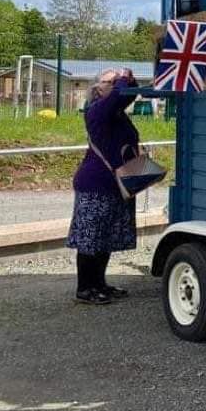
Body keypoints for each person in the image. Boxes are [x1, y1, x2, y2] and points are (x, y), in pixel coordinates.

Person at [68, 68, 140, 304]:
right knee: (90, 239)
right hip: (96, 184)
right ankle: (84, 288)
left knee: (106, 238)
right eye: (111, 81)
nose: (117, 84)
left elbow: (127, 94)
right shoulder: (96, 110)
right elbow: (119, 95)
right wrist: (122, 79)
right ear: (98, 88)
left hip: (116, 184)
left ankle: (99, 284)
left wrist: (130, 80)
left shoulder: (115, 111)